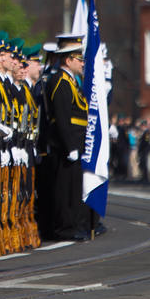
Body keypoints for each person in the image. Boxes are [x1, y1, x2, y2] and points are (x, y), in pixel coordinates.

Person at [43, 34, 90, 242]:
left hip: (74, 144)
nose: (82, 63)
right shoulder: (60, 81)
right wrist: (70, 145)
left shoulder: (71, 81)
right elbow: (62, 117)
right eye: (79, 59)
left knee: (72, 189)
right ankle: (64, 228)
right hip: (64, 146)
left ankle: (71, 225)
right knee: (63, 189)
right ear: (68, 60)